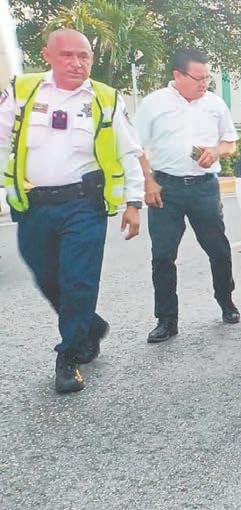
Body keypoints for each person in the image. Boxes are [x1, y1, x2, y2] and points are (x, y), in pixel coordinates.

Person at [0, 29, 150, 393]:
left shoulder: (105, 98)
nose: (76, 63)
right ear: (47, 55)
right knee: (44, 274)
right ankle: (90, 326)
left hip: (84, 203)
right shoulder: (23, 90)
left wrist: (134, 202)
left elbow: (128, 151)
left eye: (84, 56)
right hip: (34, 204)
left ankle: (68, 355)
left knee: (78, 280)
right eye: (67, 55)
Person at [134, 48, 240, 344]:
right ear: (177, 75)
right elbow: (135, 146)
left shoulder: (215, 104)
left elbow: (230, 142)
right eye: (198, 78)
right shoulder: (154, 103)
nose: (204, 83)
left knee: (218, 250)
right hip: (165, 188)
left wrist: (216, 151)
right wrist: (148, 182)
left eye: (207, 78)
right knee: (163, 255)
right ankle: (167, 320)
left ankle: (226, 300)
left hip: (204, 188)